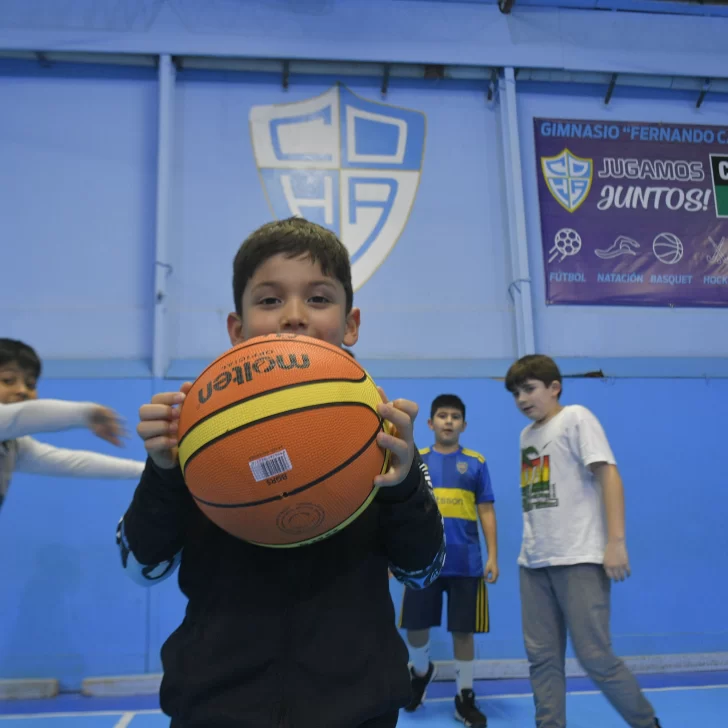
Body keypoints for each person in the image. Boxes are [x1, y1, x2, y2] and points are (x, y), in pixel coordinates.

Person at [116, 217, 446, 728]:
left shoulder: (383, 439)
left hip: (357, 709)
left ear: (351, 322)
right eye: (269, 300)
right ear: (236, 327)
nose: (293, 316)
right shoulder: (198, 439)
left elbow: (423, 571)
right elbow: (141, 569)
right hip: (215, 708)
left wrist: (404, 488)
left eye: (318, 298)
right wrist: (164, 472)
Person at [504, 354, 662, 728]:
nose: (522, 399)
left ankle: (646, 723)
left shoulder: (576, 417)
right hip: (534, 563)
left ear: (554, 387)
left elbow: (608, 475)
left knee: (596, 657)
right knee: (541, 658)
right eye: (515, 393)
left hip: (578, 558)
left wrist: (616, 542)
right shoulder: (526, 435)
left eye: (529, 389)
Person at [400, 394, 497, 727]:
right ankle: (421, 672)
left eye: (455, 416)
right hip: (422, 562)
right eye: (442, 415)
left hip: (466, 564)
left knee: (462, 632)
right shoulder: (416, 460)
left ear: (464, 425)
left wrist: (493, 555)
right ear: (430, 423)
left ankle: (464, 696)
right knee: (415, 627)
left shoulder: (476, 462)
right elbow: (401, 511)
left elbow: (486, 510)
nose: (448, 421)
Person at [0, 338, 144, 511]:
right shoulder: (12, 422)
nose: (22, 390)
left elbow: (75, 463)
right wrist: (85, 413)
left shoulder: (14, 446)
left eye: (30, 384)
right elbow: (21, 416)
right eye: (8, 380)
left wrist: (147, 470)